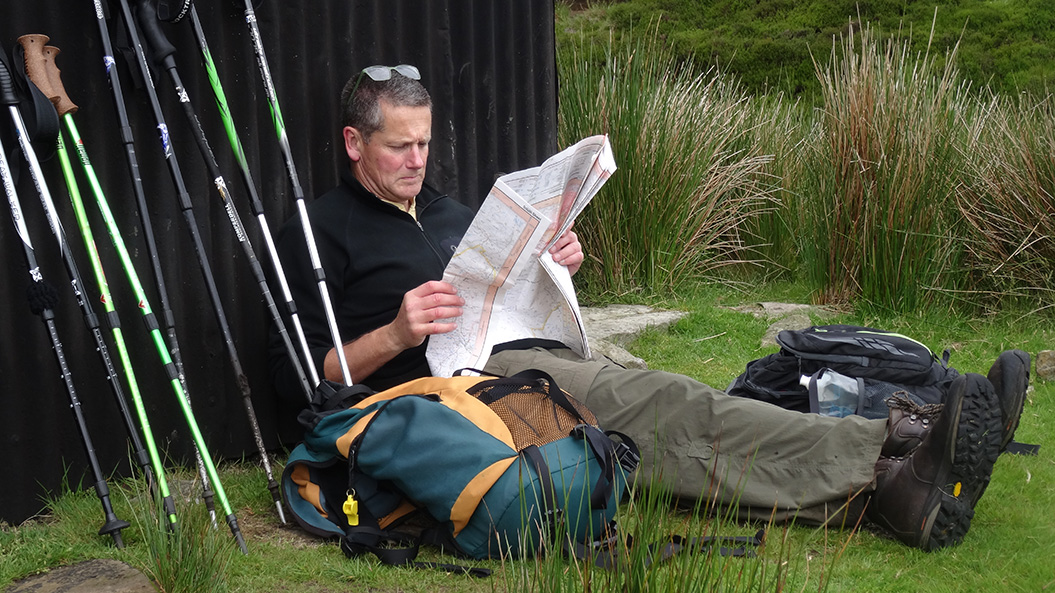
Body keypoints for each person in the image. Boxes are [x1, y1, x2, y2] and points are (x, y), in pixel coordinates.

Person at [269, 64, 1020, 551]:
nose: (416, 161)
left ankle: (901, 468)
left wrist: (554, 265)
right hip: (453, 391)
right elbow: (306, 377)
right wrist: (395, 331)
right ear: (354, 143)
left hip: (525, 352)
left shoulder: (449, 212)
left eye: (425, 144)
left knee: (671, 413)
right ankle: (891, 450)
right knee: (669, 409)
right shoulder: (322, 229)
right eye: (399, 147)